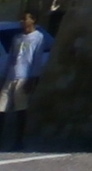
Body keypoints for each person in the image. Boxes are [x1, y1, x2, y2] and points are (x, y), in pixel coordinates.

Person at [0, 13, 49, 150]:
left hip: (24, 76)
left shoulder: (38, 38)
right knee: (1, 108)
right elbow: (11, 58)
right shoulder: (17, 38)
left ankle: (18, 140)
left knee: (20, 109)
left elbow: (37, 60)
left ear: (33, 20)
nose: (22, 21)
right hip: (10, 76)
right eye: (21, 19)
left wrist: (33, 78)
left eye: (25, 18)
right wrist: (4, 76)